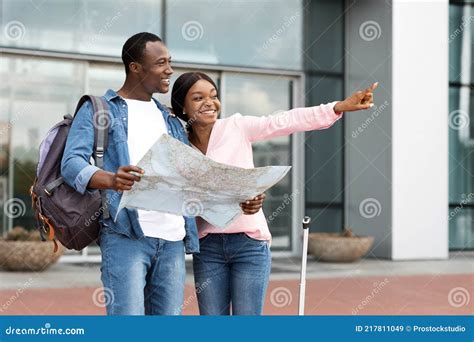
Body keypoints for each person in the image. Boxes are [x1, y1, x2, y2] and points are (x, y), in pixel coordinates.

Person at [61, 33, 263, 315]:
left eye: (170, 62)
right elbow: (71, 164)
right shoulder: (100, 109)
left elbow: (192, 182)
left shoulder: (170, 119)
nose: (169, 70)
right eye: (160, 63)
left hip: (172, 242)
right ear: (135, 67)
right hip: (126, 236)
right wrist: (110, 179)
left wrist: (237, 201)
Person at [171, 72, 377, 315]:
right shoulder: (179, 145)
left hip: (249, 244)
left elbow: (284, 121)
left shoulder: (236, 126)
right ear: (182, 107)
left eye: (214, 96)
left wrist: (337, 106)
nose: (210, 103)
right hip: (208, 247)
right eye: (198, 98)